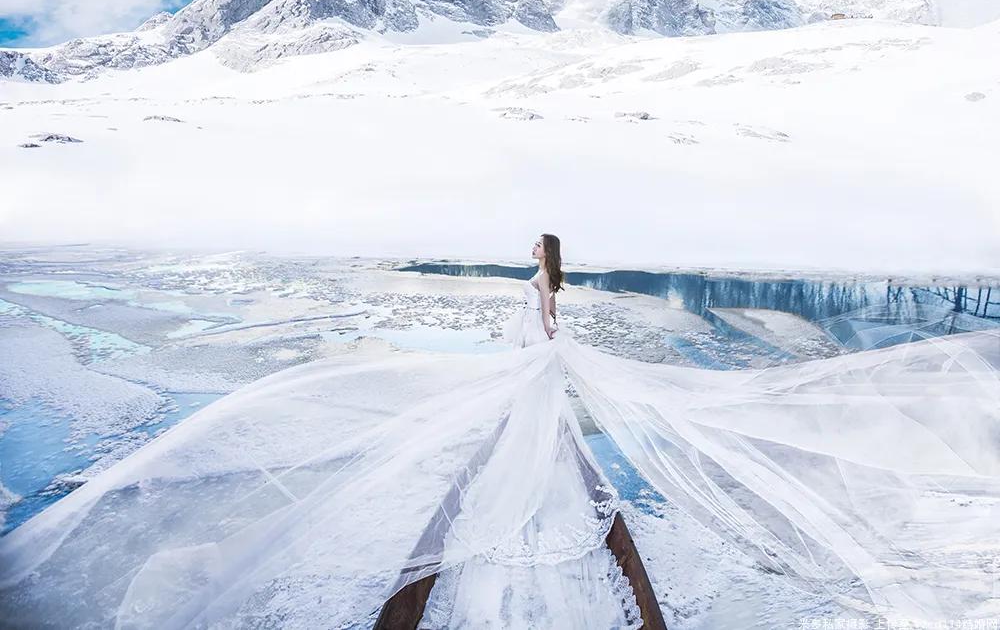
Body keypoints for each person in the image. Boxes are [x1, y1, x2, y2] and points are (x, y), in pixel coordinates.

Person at [1, 236, 999, 629]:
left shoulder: (542, 302)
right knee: (561, 506)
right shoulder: (539, 300)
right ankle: (629, 612)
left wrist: (534, 355)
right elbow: (542, 349)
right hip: (533, 405)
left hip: (532, 405)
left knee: (540, 501)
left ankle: (580, 606)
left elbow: (543, 347)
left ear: (541, 267)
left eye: (537, 261)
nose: (535, 266)